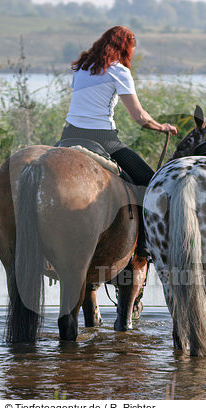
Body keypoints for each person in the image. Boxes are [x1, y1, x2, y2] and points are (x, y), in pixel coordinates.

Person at [59, 26, 176, 256]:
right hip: (102, 139)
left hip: (69, 135)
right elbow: (140, 117)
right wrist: (161, 127)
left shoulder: (81, 68)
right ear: (125, 47)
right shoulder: (118, 71)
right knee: (150, 183)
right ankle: (144, 244)